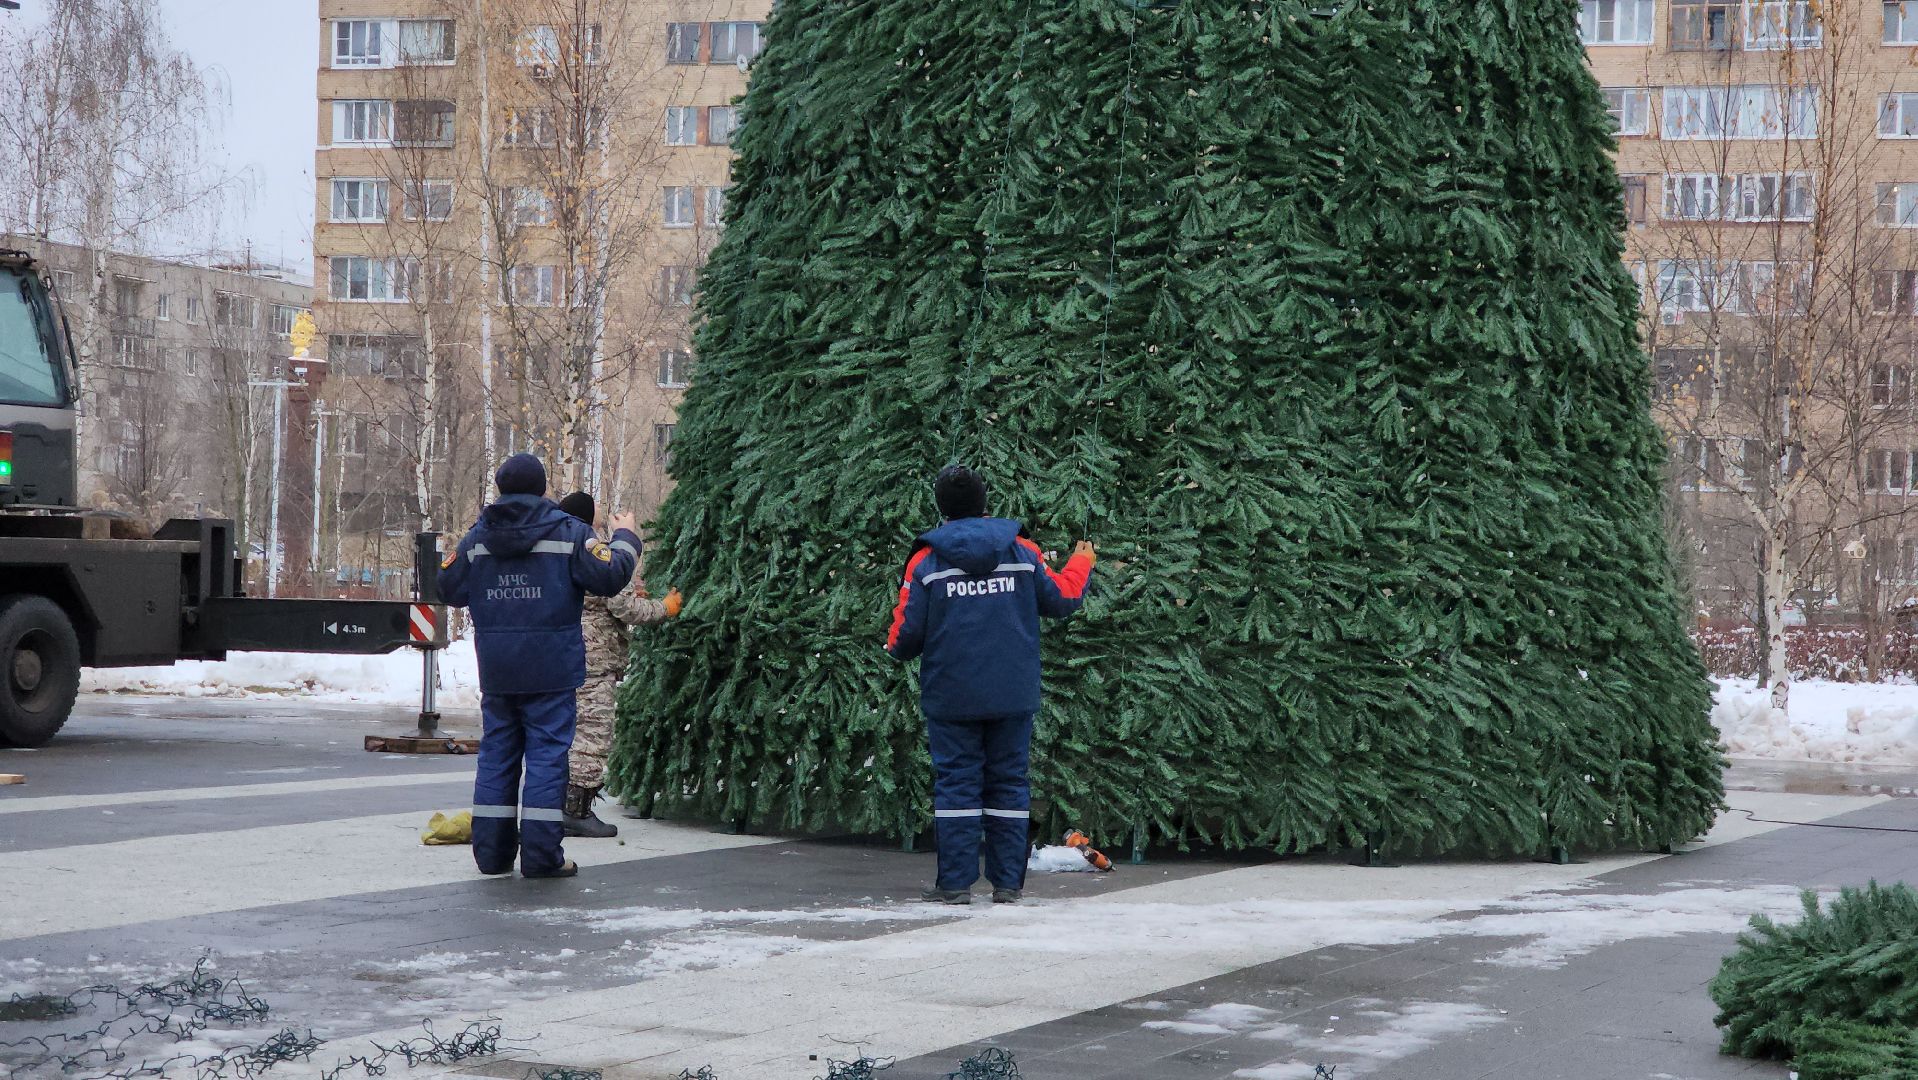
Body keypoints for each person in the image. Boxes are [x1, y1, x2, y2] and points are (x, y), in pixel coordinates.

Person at [884, 464, 1096, 905]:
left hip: (951, 694)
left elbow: (905, 636)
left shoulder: (927, 561)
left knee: (957, 785)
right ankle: (1007, 885)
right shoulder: (1021, 551)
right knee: (1008, 784)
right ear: (984, 503)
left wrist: (892, 648)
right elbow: (1063, 599)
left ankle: (955, 884)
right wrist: (1082, 561)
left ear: (942, 507)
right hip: (1012, 693)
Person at [439, 454, 640, 878]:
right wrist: (625, 536)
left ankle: (492, 856)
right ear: (542, 488)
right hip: (551, 671)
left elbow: (449, 589)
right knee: (548, 759)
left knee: (497, 756)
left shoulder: (478, 538)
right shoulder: (569, 532)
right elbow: (610, 575)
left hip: (498, 670)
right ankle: (541, 857)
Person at [556, 491, 682, 838]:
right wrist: (666, 608)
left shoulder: (557, 545)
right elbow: (625, 608)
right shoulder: (595, 551)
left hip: (563, 654)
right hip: (594, 661)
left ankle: (554, 806)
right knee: (592, 735)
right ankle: (576, 812)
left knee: (564, 734)